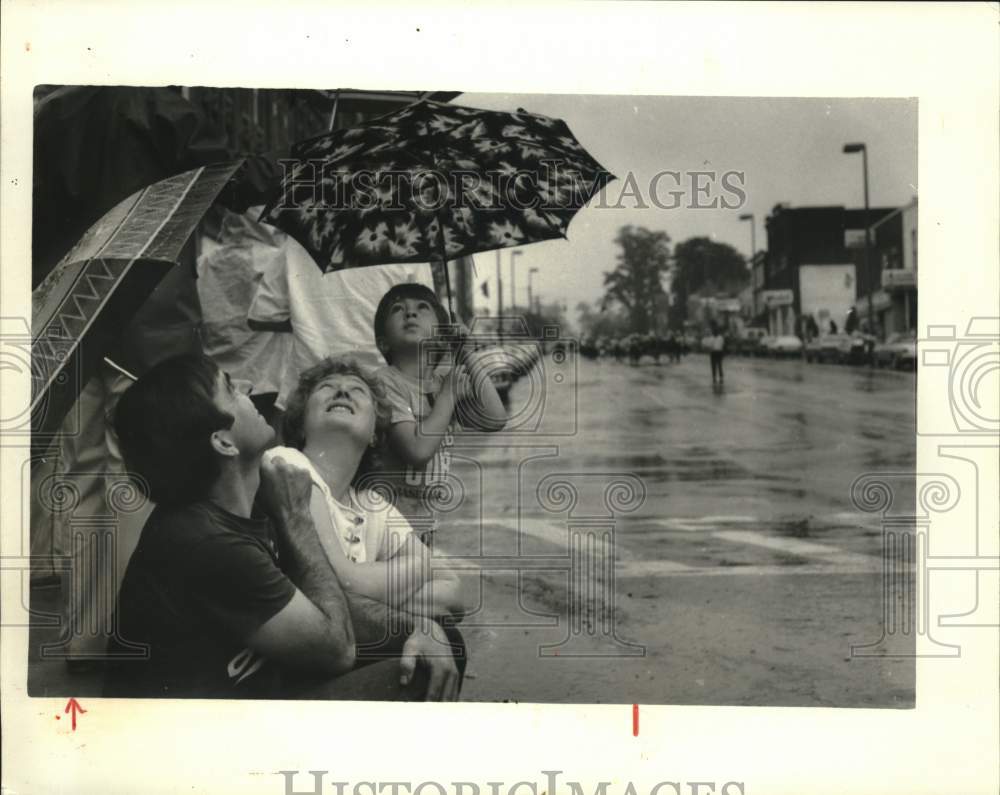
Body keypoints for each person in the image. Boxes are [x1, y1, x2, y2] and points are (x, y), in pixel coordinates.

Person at [106, 354, 461, 700]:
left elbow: (327, 601)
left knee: (436, 640)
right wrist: (297, 518)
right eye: (230, 389)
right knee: (425, 665)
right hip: (203, 742)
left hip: (258, 690)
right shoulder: (206, 539)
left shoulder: (250, 506)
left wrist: (416, 627)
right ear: (223, 442)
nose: (246, 386)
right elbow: (338, 648)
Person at [264, 356, 471, 620]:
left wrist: (365, 597)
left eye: (357, 390)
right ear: (301, 422)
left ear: (375, 431)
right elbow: (341, 579)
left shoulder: (373, 504)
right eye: (326, 387)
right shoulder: (287, 465)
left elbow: (453, 595)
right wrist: (418, 567)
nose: (342, 391)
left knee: (445, 641)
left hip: (344, 639)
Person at [372, 283, 507, 545]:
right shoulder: (384, 382)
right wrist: (447, 396)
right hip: (387, 523)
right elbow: (417, 450)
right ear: (382, 342)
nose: (410, 314)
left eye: (422, 308)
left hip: (424, 521)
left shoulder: (444, 381)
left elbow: (495, 417)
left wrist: (466, 354)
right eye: (398, 310)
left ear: (442, 336)